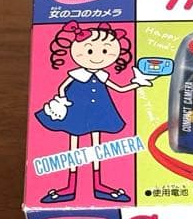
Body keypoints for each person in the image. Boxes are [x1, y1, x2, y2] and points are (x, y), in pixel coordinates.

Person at [35, 21, 153, 203]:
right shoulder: (76, 74)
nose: (97, 57)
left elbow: (120, 88)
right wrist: (61, 101)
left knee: (97, 148)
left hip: (99, 110)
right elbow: (62, 87)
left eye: (105, 51)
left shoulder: (102, 75)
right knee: (74, 147)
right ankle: (70, 187)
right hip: (75, 110)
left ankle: (98, 185)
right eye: (90, 51)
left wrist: (138, 83)